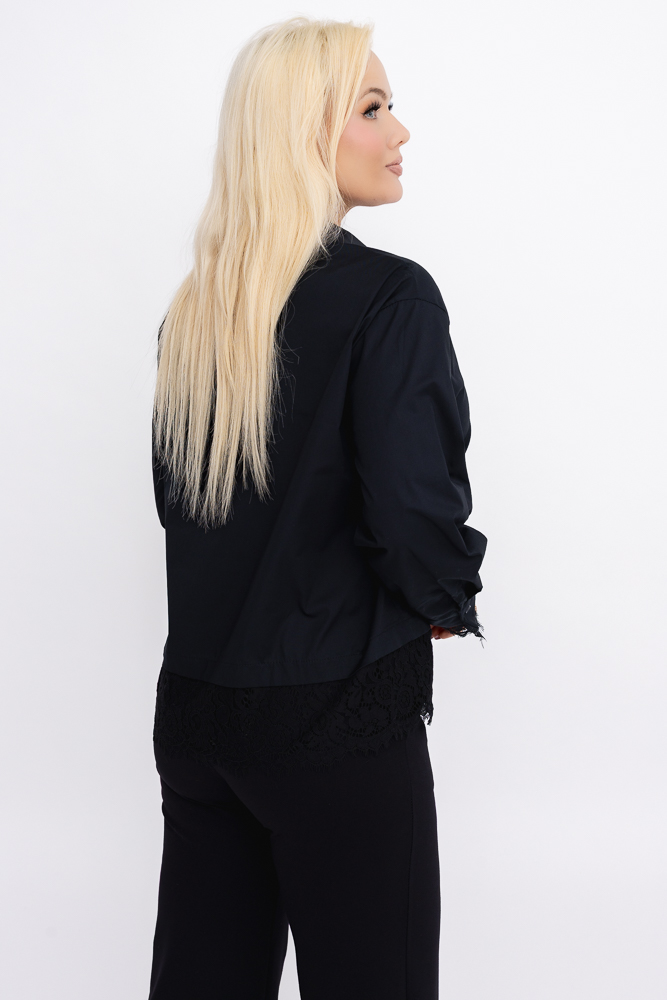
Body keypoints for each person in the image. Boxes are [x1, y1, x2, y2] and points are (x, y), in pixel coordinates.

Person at [148, 15, 487, 1000]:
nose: (399, 131)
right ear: (304, 133)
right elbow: (411, 507)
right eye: (372, 109)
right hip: (336, 720)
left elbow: (183, 511)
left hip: (200, 720)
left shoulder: (198, 310)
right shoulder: (390, 298)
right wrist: (444, 596)